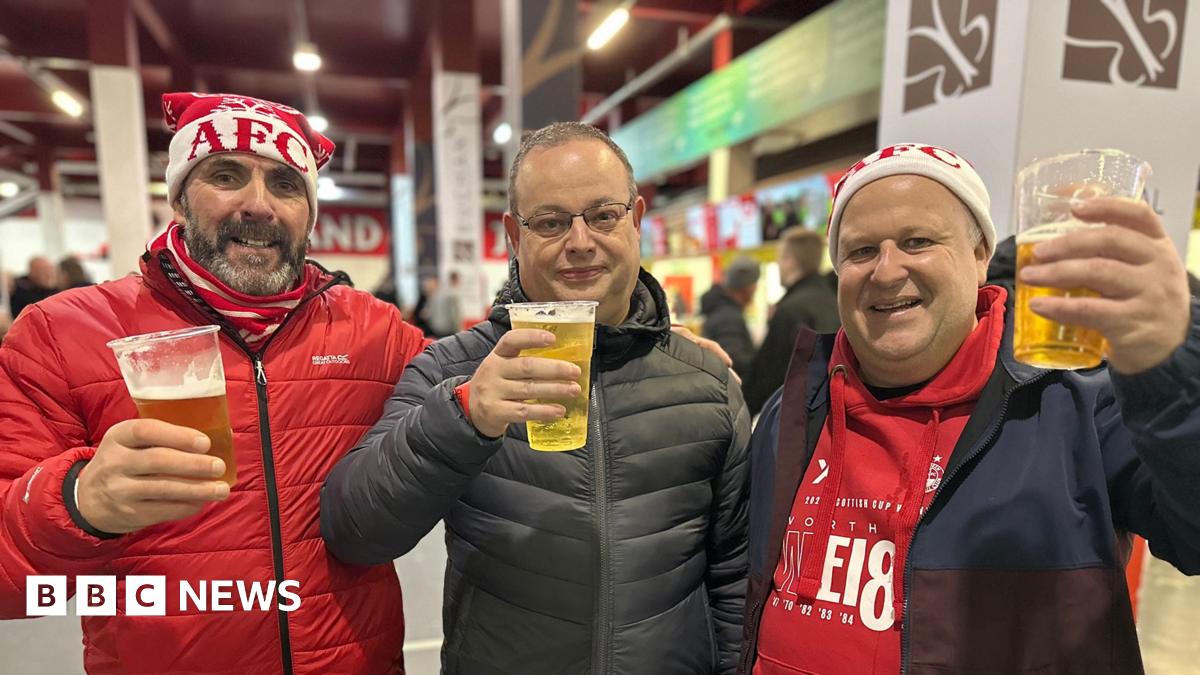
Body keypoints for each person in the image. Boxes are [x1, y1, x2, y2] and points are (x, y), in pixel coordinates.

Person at [0, 92, 427, 674]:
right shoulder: (62, 333)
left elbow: (476, 395)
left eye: (285, 184)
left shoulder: (374, 330)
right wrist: (77, 503)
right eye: (226, 175)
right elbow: (12, 588)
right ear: (178, 198)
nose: (258, 205)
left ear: (309, 211)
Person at [737, 143, 1200, 674]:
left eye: (918, 241)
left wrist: (1172, 365)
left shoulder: (1076, 403)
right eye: (861, 251)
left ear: (981, 254)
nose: (887, 271)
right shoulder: (794, 407)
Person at [321, 121, 751, 674]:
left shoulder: (707, 383)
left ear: (637, 219)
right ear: (514, 235)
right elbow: (355, 531)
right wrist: (463, 418)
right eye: (550, 222)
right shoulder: (453, 371)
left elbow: (735, 576)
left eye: (603, 215)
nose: (579, 242)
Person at [744, 227, 839, 415]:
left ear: (789, 262)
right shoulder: (835, 301)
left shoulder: (790, 312)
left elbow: (764, 380)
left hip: (797, 422)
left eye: (780, 258)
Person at [701, 256, 761, 379]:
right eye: (754, 284)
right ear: (747, 288)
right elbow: (734, 361)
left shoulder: (720, 309)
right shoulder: (728, 317)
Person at [427, 270, 463, 337]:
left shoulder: (436, 294)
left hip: (437, 329)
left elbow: (430, 313)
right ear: (455, 280)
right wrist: (458, 329)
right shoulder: (452, 294)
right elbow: (454, 313)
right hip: (449, 329)